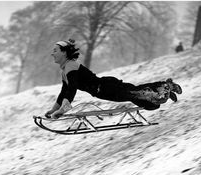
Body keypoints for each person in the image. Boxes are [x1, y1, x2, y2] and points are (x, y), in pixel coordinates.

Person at [45, 39, 182, 119]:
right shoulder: (65, 69)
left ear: (64, 52)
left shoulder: (70, 66)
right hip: (105, 88)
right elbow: (64, 91)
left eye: (55, 50)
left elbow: (72, 88)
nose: (52, 53)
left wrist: (63, 108)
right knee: (136, 93)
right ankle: (165, 88)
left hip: (106, 88)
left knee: (136, 93)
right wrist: (54, 109)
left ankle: (165, 88)